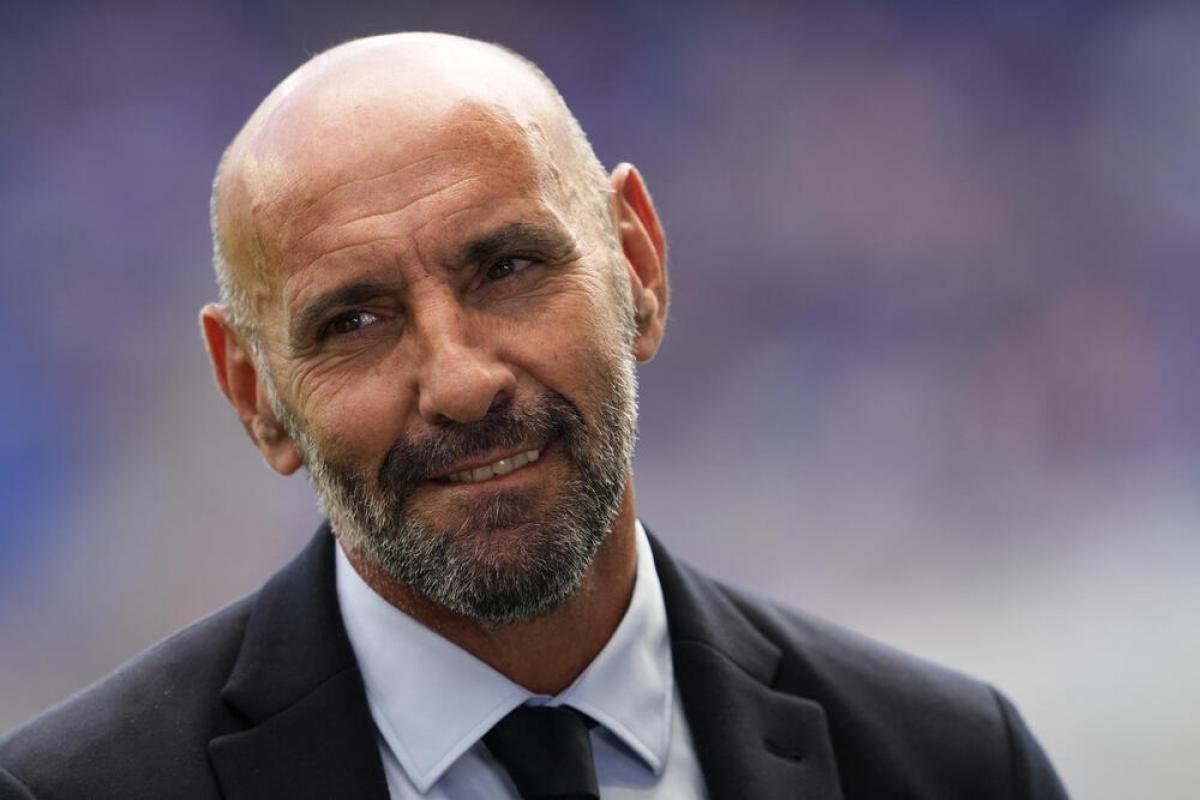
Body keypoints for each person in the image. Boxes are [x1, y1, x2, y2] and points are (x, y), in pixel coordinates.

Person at [0, 33, 1068, 799]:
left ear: (637, 264)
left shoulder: (951, 764)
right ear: (253, 394)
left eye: (508, 268)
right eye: (355, 321)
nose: (460, 381)